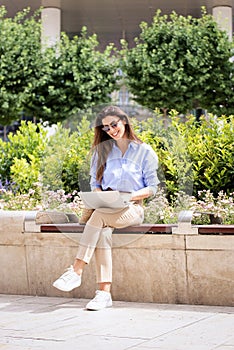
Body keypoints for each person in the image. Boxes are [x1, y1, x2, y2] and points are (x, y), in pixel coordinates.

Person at [53, 106, 159, 310]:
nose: (111, 130)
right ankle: (103, 294)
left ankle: (76, 271)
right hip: (107, 208)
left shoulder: (144, 151)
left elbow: (152, 188)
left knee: (99, 217)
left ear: (124, 121)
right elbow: (95, 182)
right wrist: (100, 195)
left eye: (114, 124)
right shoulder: (102, 151)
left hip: (133, 208)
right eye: (106, 128)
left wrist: (128, 197)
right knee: (101, 232)